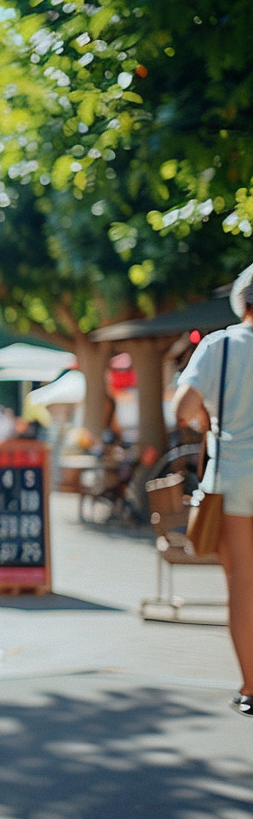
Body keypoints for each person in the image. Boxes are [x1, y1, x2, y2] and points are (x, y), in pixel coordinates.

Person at [172, 268, 253, 717]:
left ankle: (251, 686)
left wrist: (210, 421)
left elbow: (183, 408)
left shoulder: (219, 345)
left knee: (244, 584)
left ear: (241, 302)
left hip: (234, 478)